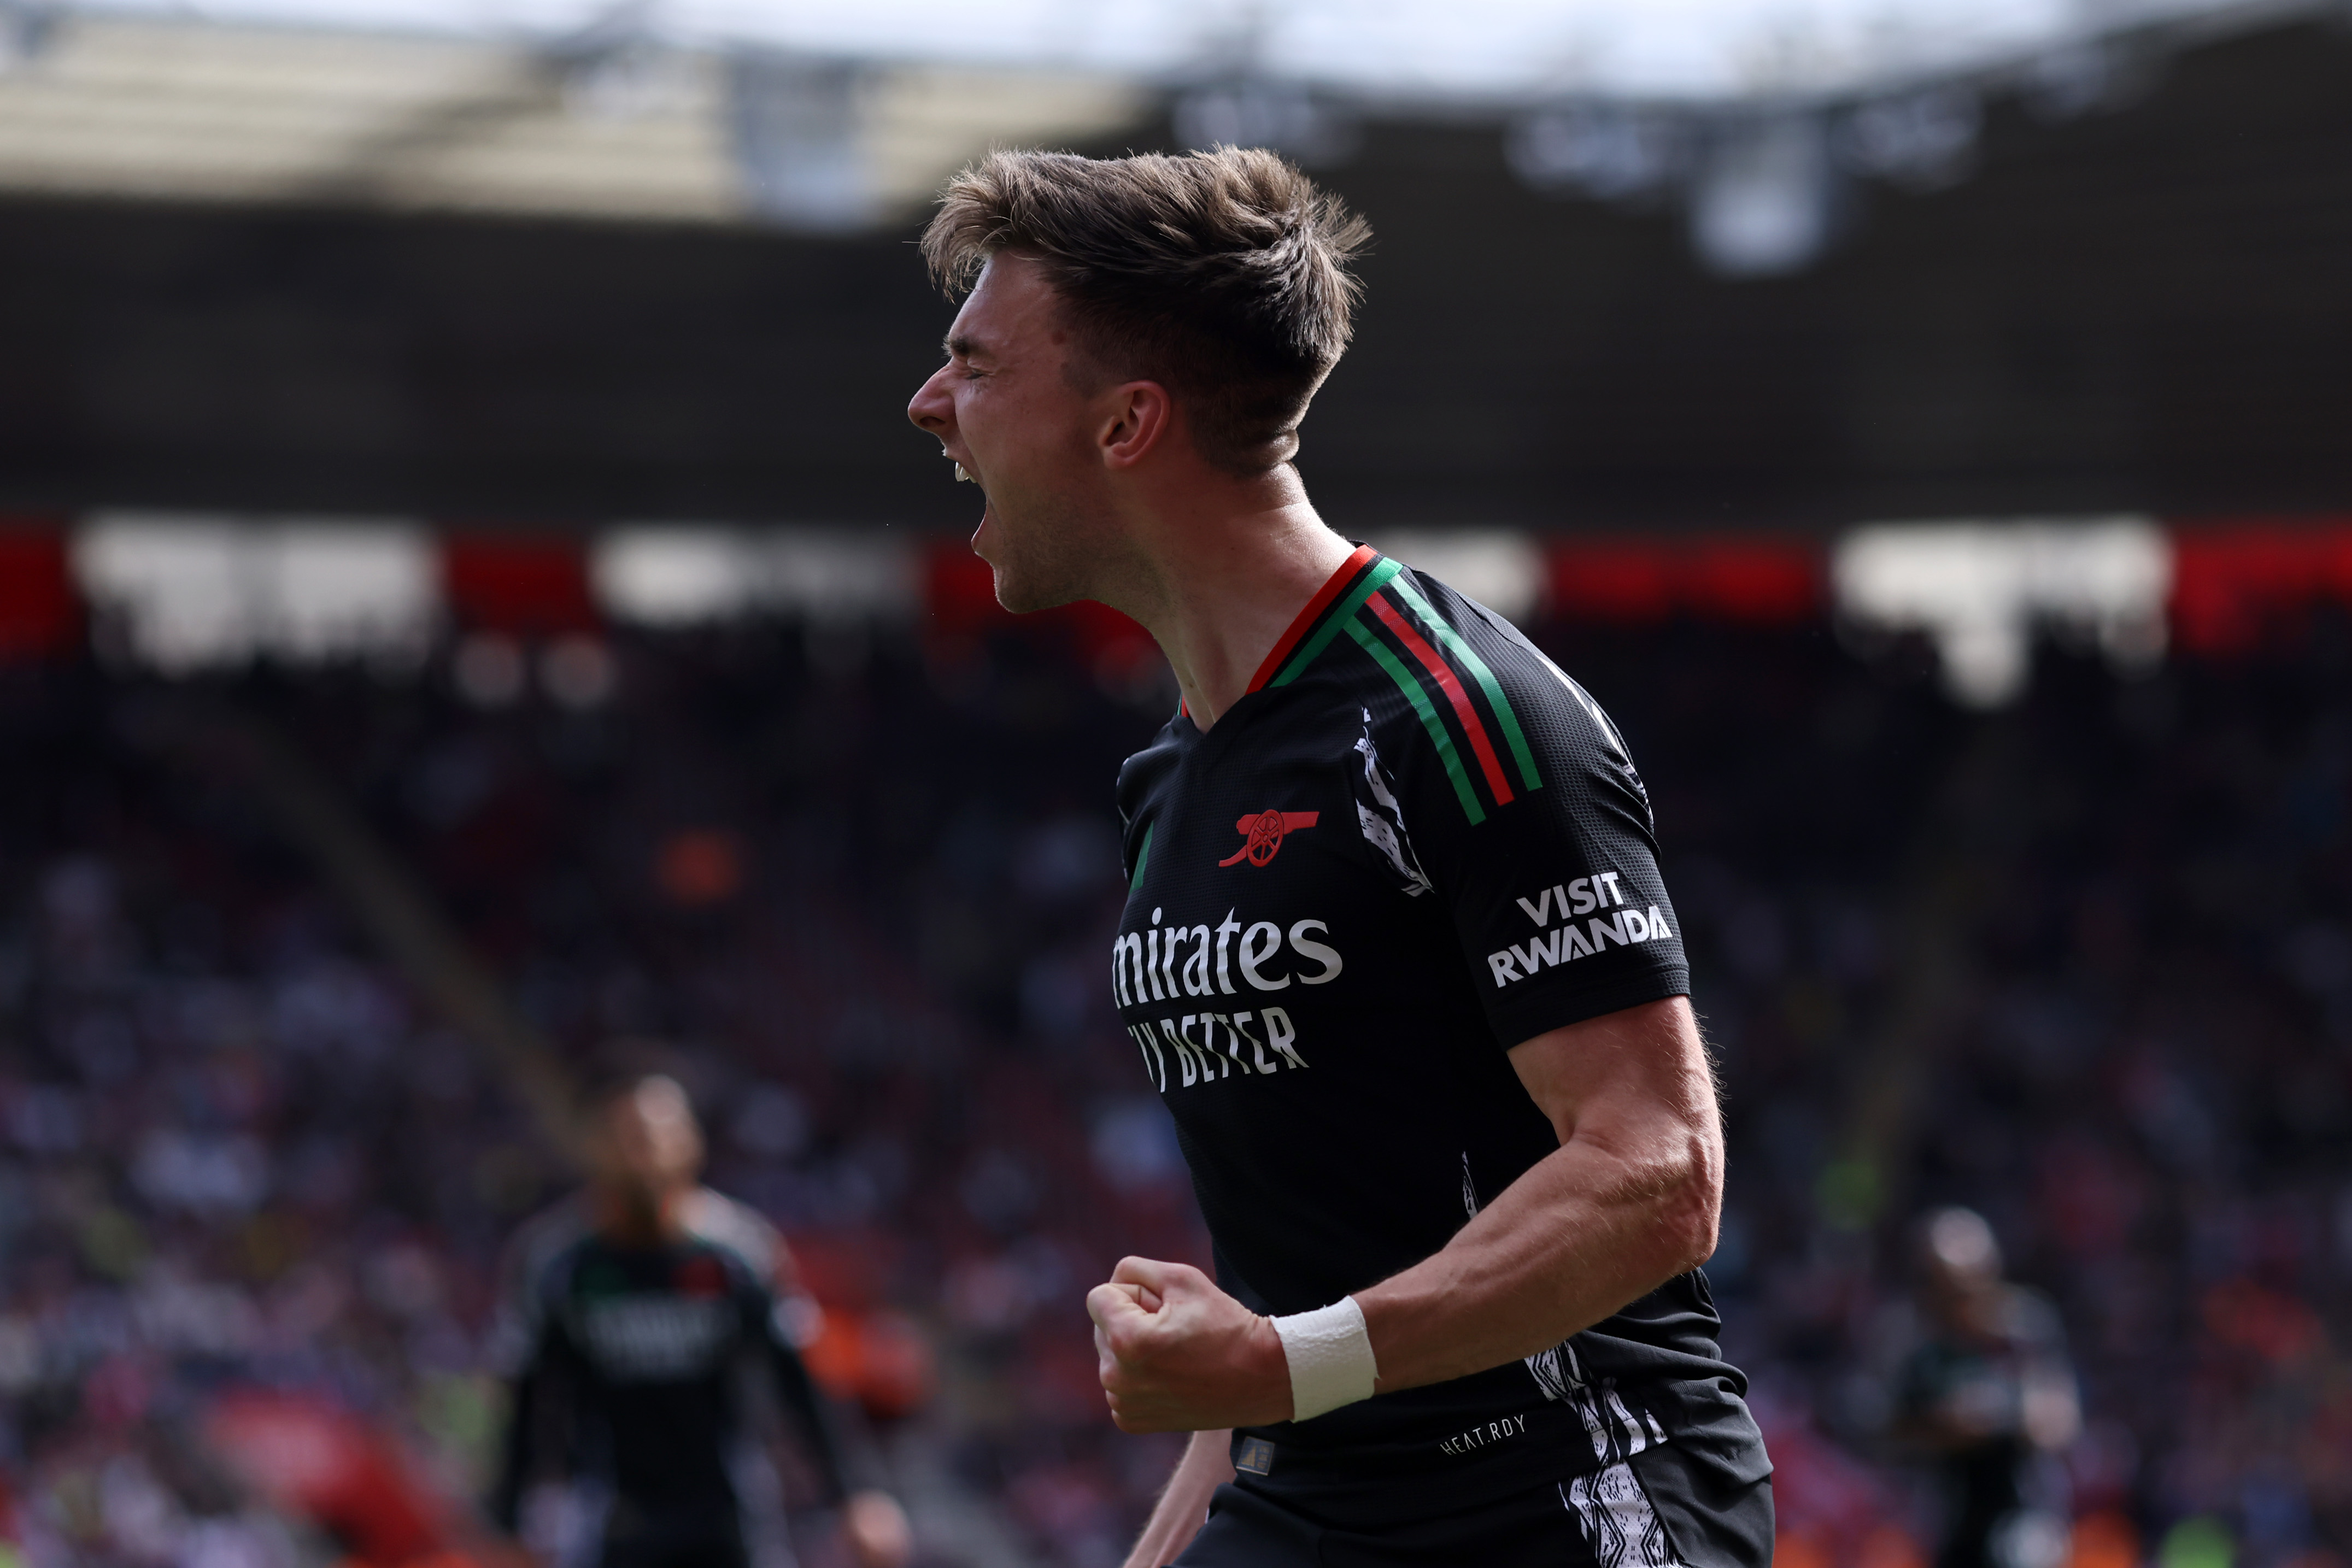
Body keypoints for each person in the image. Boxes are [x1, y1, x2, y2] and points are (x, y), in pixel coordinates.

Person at [907, 148, 1772, 1567]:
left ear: (1126, 422)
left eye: (974, 363)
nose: (927, 403)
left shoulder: (1454, 715)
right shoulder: (1172, 775)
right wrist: (1227, 1428)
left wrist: (1276, 1368)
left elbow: (1652, 1168)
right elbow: (1287, 1282)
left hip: (1562, 1492)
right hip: (1322, 1489)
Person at [488, 1070, 911, 1568]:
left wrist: (856, 1494)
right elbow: (528, 1403)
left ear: (691, 1140)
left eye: (658, 1135)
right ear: (593, 1146)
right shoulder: (560, 1266)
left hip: (730, 1516)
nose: (645, 1151)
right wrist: (508, 1526)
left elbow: (799, 1378)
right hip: (611, 1521)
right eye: (628, 1137)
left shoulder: (737, 1253)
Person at [1888, 1207, 2080, 1568]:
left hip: (2023, 1517)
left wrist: (1988, 1415)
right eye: (1934, 1283)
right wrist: (1945, 1427)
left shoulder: (2024, 1331)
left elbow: (2057, 1423)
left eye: (1959, 1287)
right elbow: (1897, 1432)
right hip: (1952, 1520)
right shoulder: (1922, 1352)